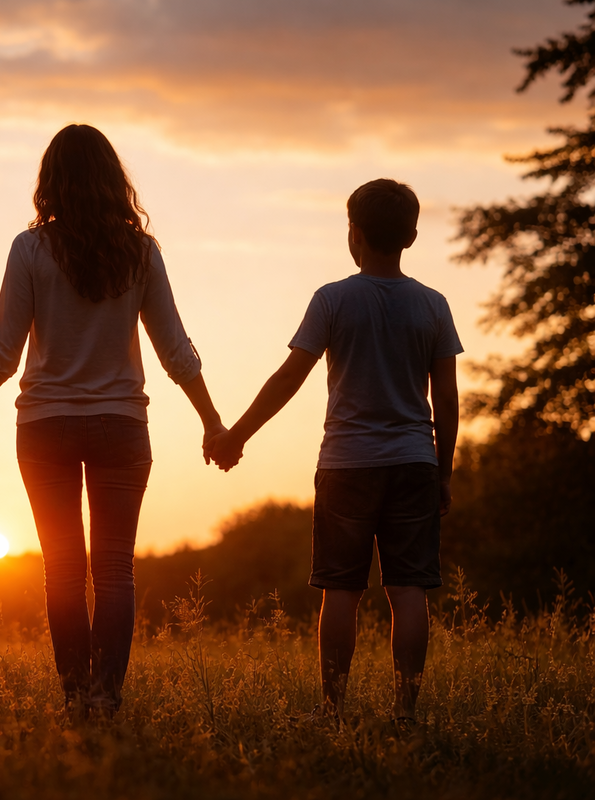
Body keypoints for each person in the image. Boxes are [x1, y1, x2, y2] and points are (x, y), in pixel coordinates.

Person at [0, 124, 226, 715]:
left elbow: (2, 349)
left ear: (50, 182)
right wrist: (213, 422)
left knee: (64, 571)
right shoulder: (139, 251)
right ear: (112, 181)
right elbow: (176, 347)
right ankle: (106, 697)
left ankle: (74, 697)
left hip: (44, 425)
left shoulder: (31, 249)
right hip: (122, 426)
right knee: (115, 570)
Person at [207, 178, 461, 723]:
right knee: (408, 589)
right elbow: (447, 399)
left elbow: (289, 378)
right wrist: (444, 471)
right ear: (412, 235)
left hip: (346, 465)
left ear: (354, 233)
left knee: (340, 590)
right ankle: (406, 712)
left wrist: (236, 436)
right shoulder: (433, 306)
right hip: (415, 461)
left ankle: (332, 709)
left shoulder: (332, 299)